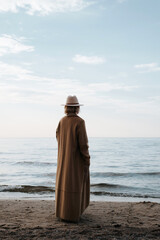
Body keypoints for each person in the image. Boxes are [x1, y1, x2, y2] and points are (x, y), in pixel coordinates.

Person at [55, 95, 90, 222]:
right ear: (77, 108)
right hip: (76, 161)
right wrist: (87, 159)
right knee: (76, 185)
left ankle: (62, 213)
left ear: (66, 108)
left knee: (64, 182)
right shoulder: (80, 122)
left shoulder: (62, 121)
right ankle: (73, 215)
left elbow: (58, 137)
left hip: (63, 159)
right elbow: (83, 145)